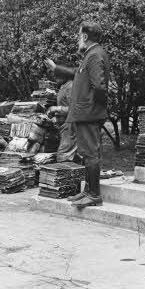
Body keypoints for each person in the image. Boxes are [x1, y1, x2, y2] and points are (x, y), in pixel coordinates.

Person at [46, 21, 109, 208]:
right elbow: (76, 73)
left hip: (89, 113)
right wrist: (56, 68)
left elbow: (99, 86)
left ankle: (94, 194)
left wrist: (94, 108)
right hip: (85, 113)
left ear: (85, 37)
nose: (77, 39)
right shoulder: (90, 55)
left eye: (78, 35)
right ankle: (88, 191)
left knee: (90, 154)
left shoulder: (95, 55)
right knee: (86, 153)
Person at [48, 65, 77, 163]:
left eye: (57, 75)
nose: (54, 77)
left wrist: (56, 108)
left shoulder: (71, 86)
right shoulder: (64, 86)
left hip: (71, 126)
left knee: (63, 156)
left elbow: (75, 109)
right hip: (65, 126)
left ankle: (63, 177)